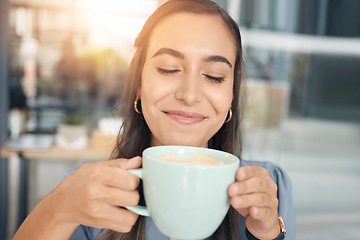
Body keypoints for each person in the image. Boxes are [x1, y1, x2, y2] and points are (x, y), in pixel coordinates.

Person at [12, 0, 295, 239]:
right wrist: (58, 208)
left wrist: (269, 233)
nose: (190, 95)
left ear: (233, 90)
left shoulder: (270, 186)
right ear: (138, 81)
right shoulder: (88, 191)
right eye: (169, 69)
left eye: (214, 76)